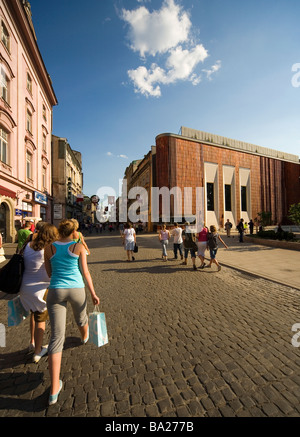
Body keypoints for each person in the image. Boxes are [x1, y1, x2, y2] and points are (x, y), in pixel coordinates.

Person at [44, 219, 100, 406]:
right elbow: (86, 272)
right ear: (74, 231)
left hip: (56, 290)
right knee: (81, 317)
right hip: (76, 288)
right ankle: (84, 337)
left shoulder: (49, 247)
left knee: (56, 337)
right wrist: (93, 293)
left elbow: (49, 272)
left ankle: (53, 390)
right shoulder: (78, 247)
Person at [19, 223, 58, 363]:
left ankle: (32, 342)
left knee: (34, 314)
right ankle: (38, 351)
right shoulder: (48, 249)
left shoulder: (28, 246)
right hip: (40, 290)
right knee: (41, 319)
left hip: (24, 288)